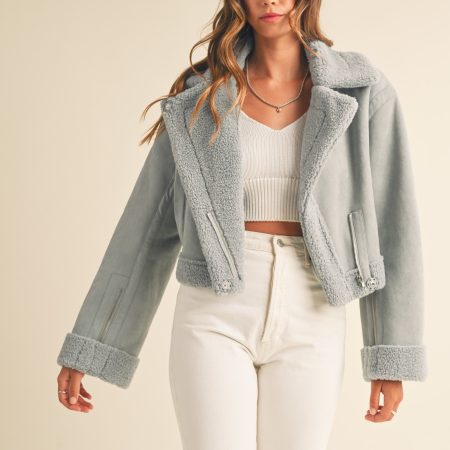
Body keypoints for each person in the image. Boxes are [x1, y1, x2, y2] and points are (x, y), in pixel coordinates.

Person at [56, 0, 427, 448]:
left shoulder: (362, 90)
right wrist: (92, 342)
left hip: (314, 310)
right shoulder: (201, 94)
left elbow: (393, 223)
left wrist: (391, 354)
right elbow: (147, 224)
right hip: (214, 310)